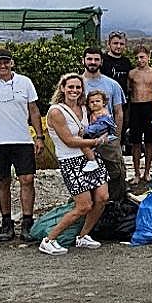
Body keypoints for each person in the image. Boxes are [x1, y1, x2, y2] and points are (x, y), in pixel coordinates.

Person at [40, 73, 109, 256]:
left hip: (89, 157)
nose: (74, 91)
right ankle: (49, 239)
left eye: (78, 87)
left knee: (102, 197)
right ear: (62, 88)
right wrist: (95, 142)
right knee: (84, 206)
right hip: (71, 160)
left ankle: (83, 236)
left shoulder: (84, 109)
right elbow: (69, 141)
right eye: (70, 87)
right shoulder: (56, 111)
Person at [0, 47, 43, 241]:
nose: (3, 65)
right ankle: (7, 222)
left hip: (22, 140)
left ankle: (27, 221)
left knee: (27, 180)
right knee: (2, 182)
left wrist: (39, 136)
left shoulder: (25, 82)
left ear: (12, 63)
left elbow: (33, 110)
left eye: (6, 61)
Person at [81, 46, 128, 205]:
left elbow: (119, 112)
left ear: (101, 61)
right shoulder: (76, 84)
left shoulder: (112, 84)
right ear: (83, 61)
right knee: (87, 174)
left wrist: (117, 137)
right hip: (85, 140)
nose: (92, 62)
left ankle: (116, 206)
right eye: (89, 59)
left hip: (108, 139)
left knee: (115, 172)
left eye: (96, 59)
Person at [127, 46, 152, 187]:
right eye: (137, 58)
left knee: (149, 141)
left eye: (142, 57)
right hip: (135, 107)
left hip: (149, 107)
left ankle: (147, 171)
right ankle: (136, 173)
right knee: (135, 142)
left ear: (148, 56)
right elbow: (129, 91)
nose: (139, 60)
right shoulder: (132, 73)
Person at [80, 90, 117, 172]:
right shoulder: (92, 113)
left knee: (83, 144)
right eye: (92, 102)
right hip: (97, 136)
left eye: (98, 101)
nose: (94, 103)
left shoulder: (102, 113)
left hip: (104, 136)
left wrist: (86, 130)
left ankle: (92, 161)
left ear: (103, 103)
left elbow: (99, 127)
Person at [99, 31, 133, 96]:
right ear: (108, 44)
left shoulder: (126, 61)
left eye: (121, 44)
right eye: (115, 43)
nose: (118, 46)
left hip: (122, 99)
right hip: (105, 99)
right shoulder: (102, 60)